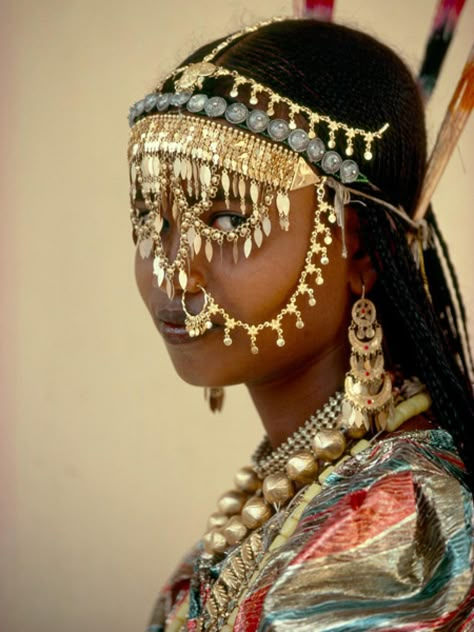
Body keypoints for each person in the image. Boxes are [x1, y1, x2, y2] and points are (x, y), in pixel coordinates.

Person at [127, 18, 474, 631]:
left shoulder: (395, 537)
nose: (175, 274)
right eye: (154, 222)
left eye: (231, 222)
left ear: (358, 249)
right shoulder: (288, 496)